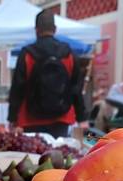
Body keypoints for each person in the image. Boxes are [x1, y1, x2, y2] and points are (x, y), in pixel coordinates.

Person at [8, 10, 87, 138]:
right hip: (61, 117)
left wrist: (12, 118)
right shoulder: (68, 54)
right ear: (55, 29)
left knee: (34, 154)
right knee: (58, 155)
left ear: (36, 30)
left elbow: (17, 88)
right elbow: (76, 88)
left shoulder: (27, 54)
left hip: (30, 117)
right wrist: (82, 118)